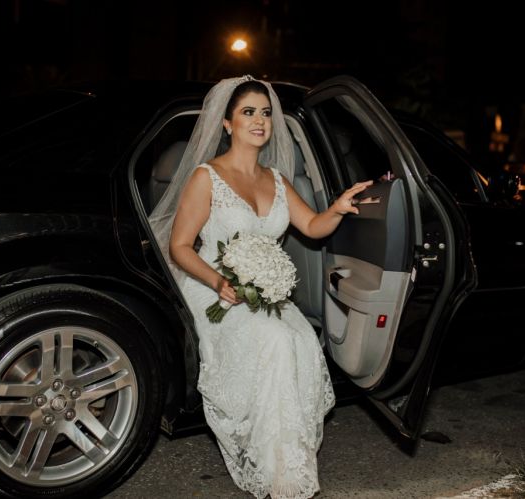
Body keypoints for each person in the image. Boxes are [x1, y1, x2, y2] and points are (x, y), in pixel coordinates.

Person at [149, 75, 372, 498]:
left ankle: (286, 460)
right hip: (211, 286)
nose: (259, 120)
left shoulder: (277, 179)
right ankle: (279, 473)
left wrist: (339, 208)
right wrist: (218, 281)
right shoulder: (206, 177)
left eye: (266, 113)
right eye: (248, 112)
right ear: (227, 124)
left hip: (262, 292)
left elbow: (313, 226)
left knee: (301, 341)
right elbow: (179, 247)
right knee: (275, 341)